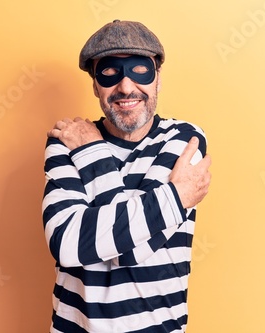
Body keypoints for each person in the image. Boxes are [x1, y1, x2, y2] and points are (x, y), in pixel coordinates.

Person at [42, 19, 212, 333]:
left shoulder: (183, 140)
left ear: (157, 78)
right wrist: (174, 198)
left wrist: (90, 152)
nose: (126, 87)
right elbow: (66, 242)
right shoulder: (68, 140)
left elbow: (131, 253)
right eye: (109, 73)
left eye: (139, 71)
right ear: (95, 84)